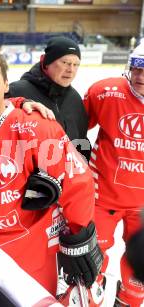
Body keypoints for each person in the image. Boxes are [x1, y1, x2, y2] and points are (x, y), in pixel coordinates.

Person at [0, 49, 102, 297]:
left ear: (6, 84)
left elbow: (76, 182)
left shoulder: (38, 125)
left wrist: (79, 234)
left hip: (33, 254)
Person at [84, 43, 144, 307]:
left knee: (140, 270)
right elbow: (75, 128)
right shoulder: (104, 92)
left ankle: (129, 301)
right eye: (136, 69)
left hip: (142, 204)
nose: (140, 77)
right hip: (102, 195)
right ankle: (92, 297)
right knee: (92, 259)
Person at [7, 36, 91, 161]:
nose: (71, 70)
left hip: (67, 176)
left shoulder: (74, 99)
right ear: (46, 63)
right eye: (65, 63)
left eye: (76, 65)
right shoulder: (17, 92)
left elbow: (81, 141)